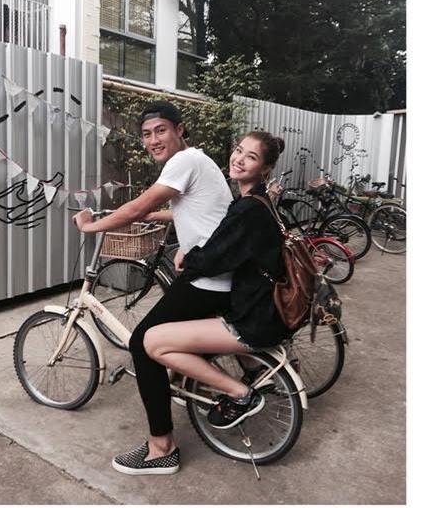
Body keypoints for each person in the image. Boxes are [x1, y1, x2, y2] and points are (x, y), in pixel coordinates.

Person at [111, 131, 289, 476]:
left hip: (251, 318)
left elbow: (215, 257)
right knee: (167, 333)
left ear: (264, 169)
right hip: (257, 307)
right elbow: (222, 237)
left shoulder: (248, 209)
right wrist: (181, 240)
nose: (239, 159)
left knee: (148, 342)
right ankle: (226, 381)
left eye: (251, 157)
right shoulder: (255, 202)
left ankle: (235, 397)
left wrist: (188, 258)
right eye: (239, 150)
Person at [72, 99, 235, 469]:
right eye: (146, 134)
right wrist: (149, 221)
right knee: (171, 326)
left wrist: (92, 226)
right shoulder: (197, 160)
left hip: (210, 280)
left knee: (142, 344)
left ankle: (161, 448)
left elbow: (139, 206)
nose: (152, 140)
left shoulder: (183, 162)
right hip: (213, 272)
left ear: (180, 130)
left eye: (160, 131)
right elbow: (185, 209)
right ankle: (190, 385)